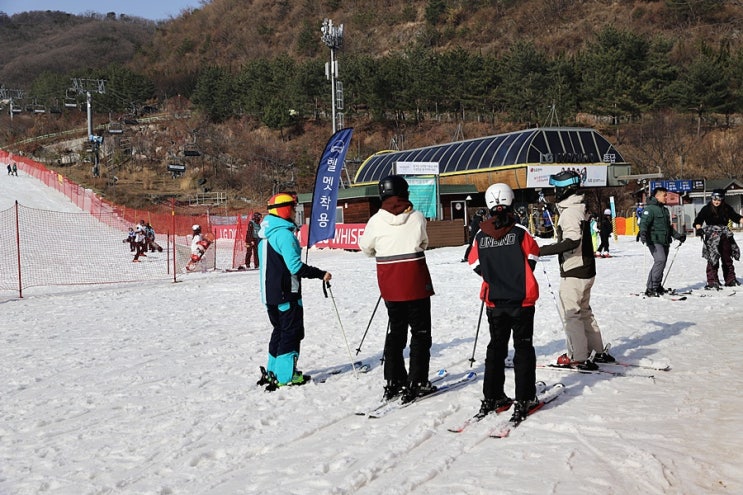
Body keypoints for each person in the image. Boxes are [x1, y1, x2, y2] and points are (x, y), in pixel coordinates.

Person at [467, 183, 541, 423]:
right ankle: (525, 398)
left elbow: (473, 262)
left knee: (496, 348)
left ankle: (492, 395)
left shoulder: (480, 234)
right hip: (521, 300)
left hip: (495, 301)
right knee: (523, 348)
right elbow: (533, 256)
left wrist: (492, 276)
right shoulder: (520, 231)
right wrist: (517, 274)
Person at [359, 175, 436, 404]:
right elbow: (423, 243)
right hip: (416, 283)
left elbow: (366, 248)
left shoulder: (375, 220)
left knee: (396, 332)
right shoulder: (417, 217)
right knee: (420, 333)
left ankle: (394, 379)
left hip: (390, 284)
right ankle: (417, 381)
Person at [539, 170, 613, 369]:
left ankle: (577, 355)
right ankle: (596, 350)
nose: (555, 192)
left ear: (565, 189)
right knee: (584, 311)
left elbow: (572, 240)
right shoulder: (578, 206)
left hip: (575, 269)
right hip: (586, 268)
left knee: (572, 313)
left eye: (557, 188)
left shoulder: (570, 212)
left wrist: (541, 250)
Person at [258, 192, 332, 387]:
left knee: (279, 331)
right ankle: (285, 376)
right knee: (291, 333)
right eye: (292, 207)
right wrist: (320, 274)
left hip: (270, 295)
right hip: (287, 294)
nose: (294, 211)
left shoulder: (265, 235)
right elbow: (295, 267)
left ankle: (273, 371)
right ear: (284, 210)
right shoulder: (283, 234)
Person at [639, 186, 687, 296]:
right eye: (664, 195)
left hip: (664, 240)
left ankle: (655, 286)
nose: (666, 197)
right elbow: (644, 223)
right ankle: (653, 287)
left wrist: (678, 236)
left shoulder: (665, 210)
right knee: (660, 260)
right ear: (657, 196)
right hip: (654, 240)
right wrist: (643, 234)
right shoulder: (650, 209)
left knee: (661, 263)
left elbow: (668, 228)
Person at [693, 189, 742, 288]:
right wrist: (699, 229)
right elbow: (698, 220)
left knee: (727, 258)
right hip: (712, 236)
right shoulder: (706, 209)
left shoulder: (726, 208)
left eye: (719, 200)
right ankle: (712, 281)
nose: (716, 201)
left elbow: (736, 217)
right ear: (711, 199)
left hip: (724, 235)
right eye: (714, 199)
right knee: (713, 258)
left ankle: (730, 279)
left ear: (722, 200)